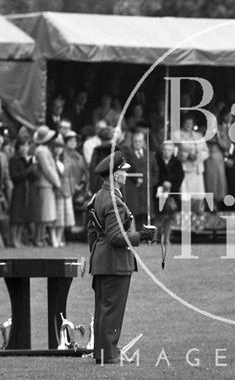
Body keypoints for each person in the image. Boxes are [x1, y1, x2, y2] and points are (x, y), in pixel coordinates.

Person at [87, 151, 155, 364]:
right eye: (123, 171)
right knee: (112, 310)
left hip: (103, 260)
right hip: (114, 262)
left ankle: (102, 351)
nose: (127, 175)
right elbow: (116, 237)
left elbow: (93, 232)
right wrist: (141, 236)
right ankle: (109, 353)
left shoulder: (100, 195)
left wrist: (96, 254)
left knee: (104, 309)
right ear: (115, 175)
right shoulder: (114, 200)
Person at [9, 136, 36, 247]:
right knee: (16, 217)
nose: (25, 148)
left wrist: (32, 166)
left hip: (28, 189)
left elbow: (34, 176)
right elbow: (15, 176)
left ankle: (19, 238)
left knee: (23, 217)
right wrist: (28, 170)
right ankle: (13, 239)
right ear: (18, 147)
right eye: (22, 146)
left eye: (26, 145)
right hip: (19, 190)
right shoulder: (14, 160)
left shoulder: (28, 160)